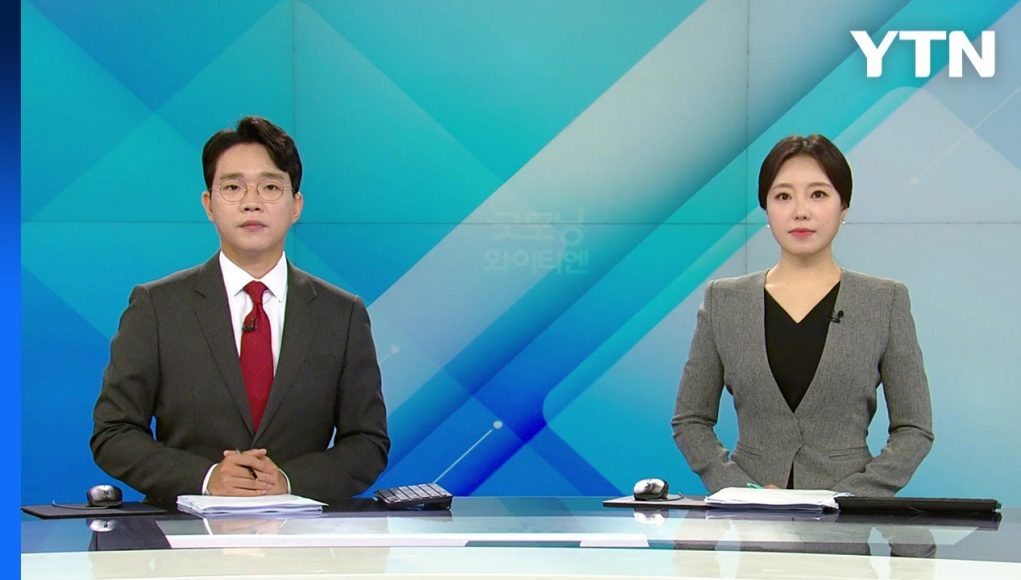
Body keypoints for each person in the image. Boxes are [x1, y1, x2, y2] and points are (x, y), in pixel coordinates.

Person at [92, 116, 390, 502]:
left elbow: (367, 442)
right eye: (233, 187)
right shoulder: (158, 307)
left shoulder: (341, 314)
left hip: (301, 532)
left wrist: (286, 482)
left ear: (296, 205)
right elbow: (113, 432)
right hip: (184, 530)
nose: (252, 202)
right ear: (209, 204)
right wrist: (207, 478)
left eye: (270, 186)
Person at [671, 134, 933, 496]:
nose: (800, 211)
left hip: (848, 520)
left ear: (844, 206)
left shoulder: (884, 301)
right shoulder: (724, 301)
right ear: (766, 208)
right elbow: (690, 420)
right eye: (783, 196)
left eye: (818, 194)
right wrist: (743, 491)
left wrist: (852, 498)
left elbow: (914, 429)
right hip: (752, 518)